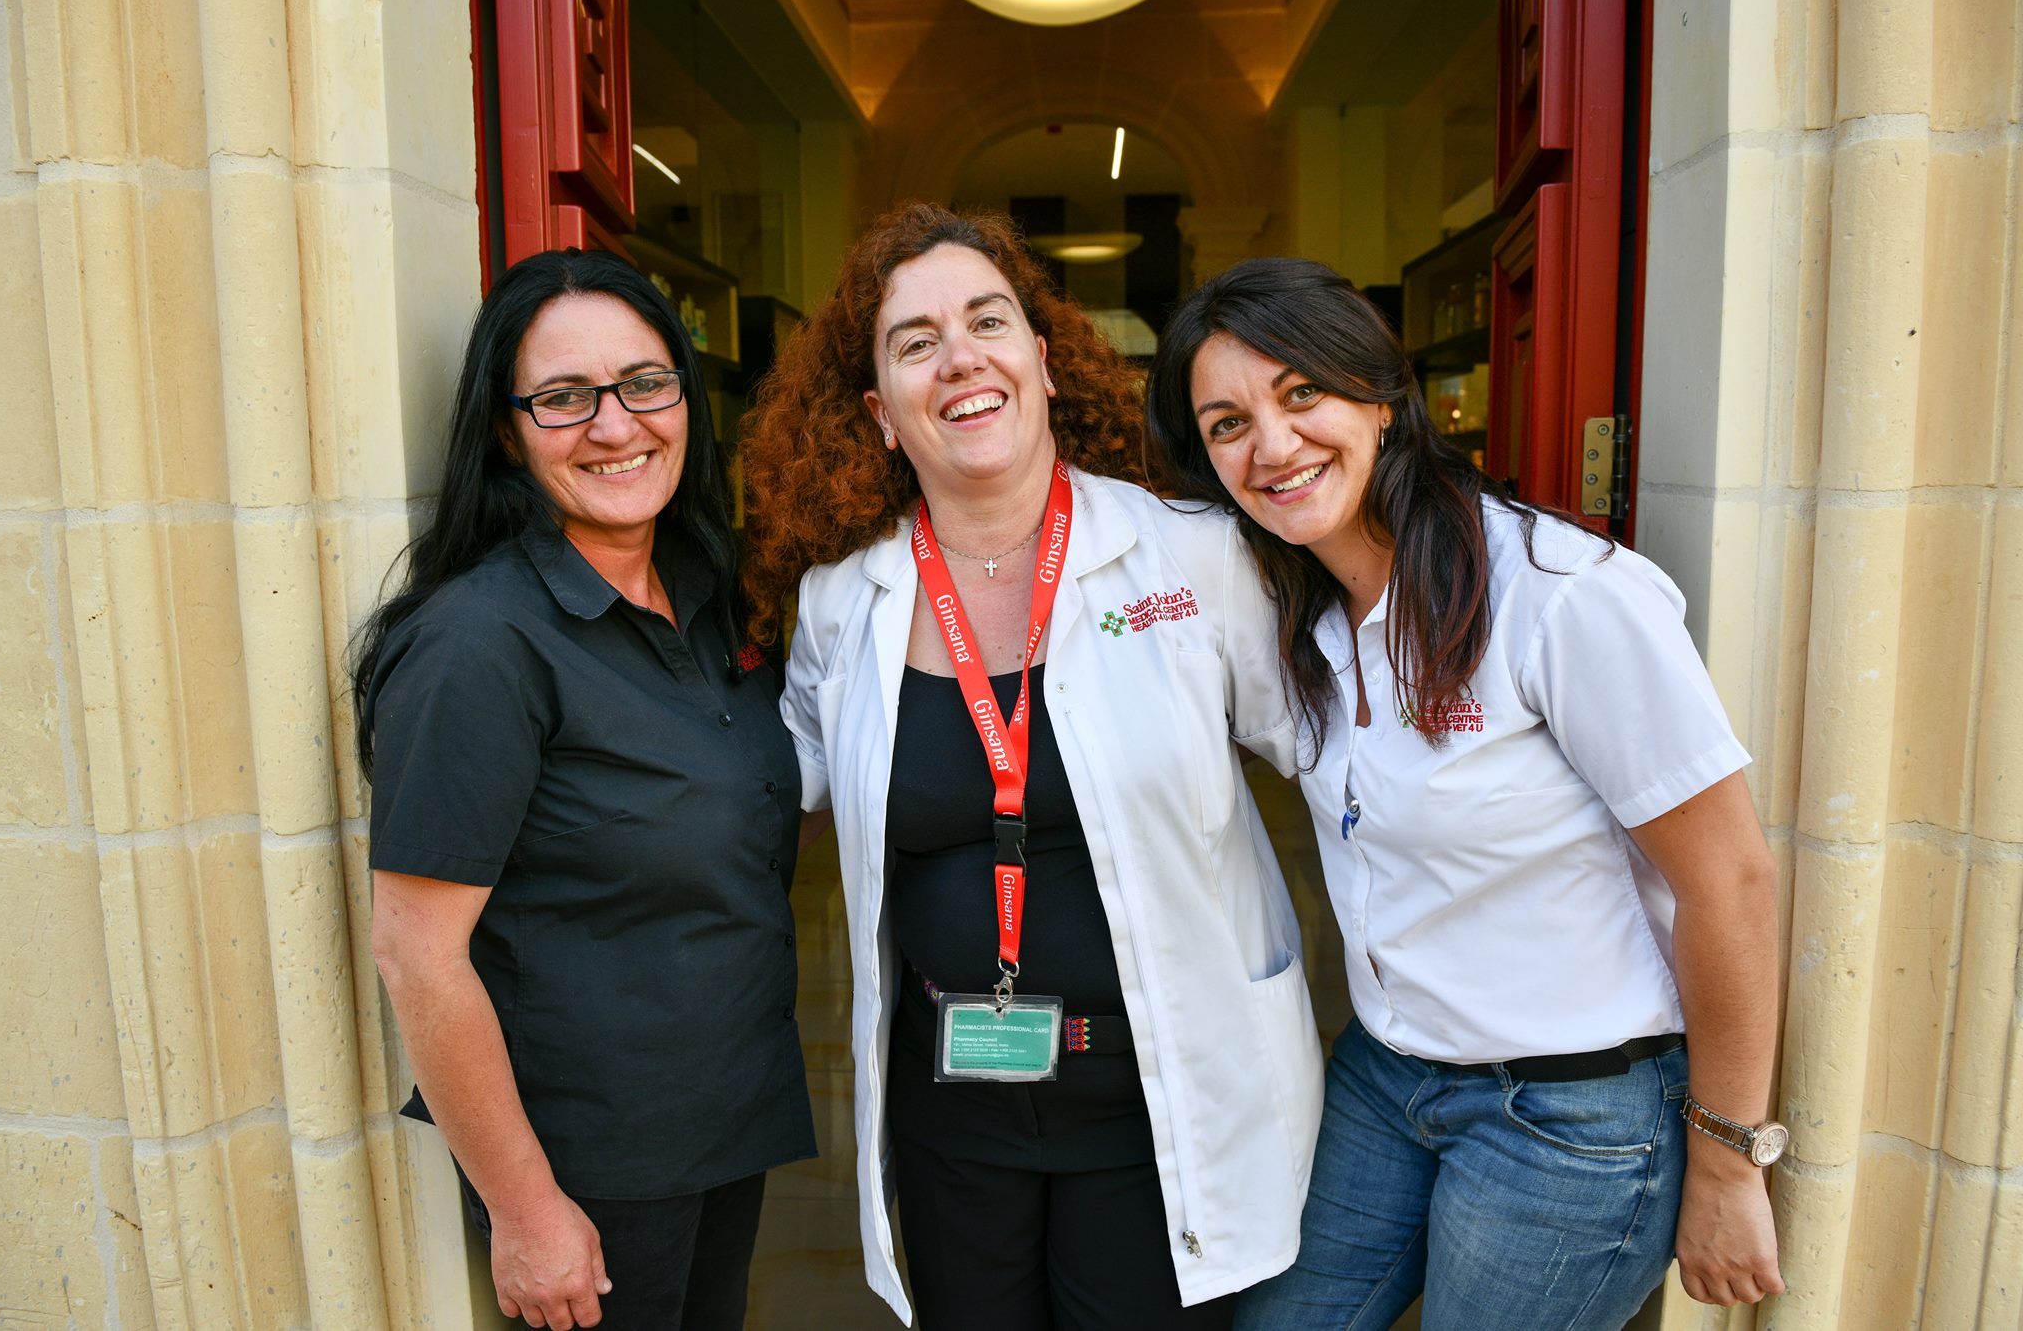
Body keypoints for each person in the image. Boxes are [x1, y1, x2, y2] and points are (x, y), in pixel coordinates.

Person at [1144, 257, 1787, 1330]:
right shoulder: (1297, 616)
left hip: (1569, 1114)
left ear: (1379, 396)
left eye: (1301, 393)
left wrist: (1727, 1163)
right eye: (1227, 424)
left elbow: (1731, 881)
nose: (1273, 444)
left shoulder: (1560, 596)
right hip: (1386, 1076)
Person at [739, 203, 1324, 1331]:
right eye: (915, 342)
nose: (959, 357)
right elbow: (776, 797)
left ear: (1043, 364)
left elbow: (1338, 759)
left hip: (1158, 1099)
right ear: (880, 413)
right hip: (952, 1106)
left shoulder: (1191, 555)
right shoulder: (840, 600)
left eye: (987, 320)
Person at [354, 249, 813, 1331]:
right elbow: (417, 954)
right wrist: (525, 1211)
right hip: (594, 1172)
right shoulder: (477, 645)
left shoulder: (711, 593)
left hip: (723, 1121)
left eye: (645, 383)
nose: (616, 425)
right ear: (506, 431)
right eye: (563, 398)